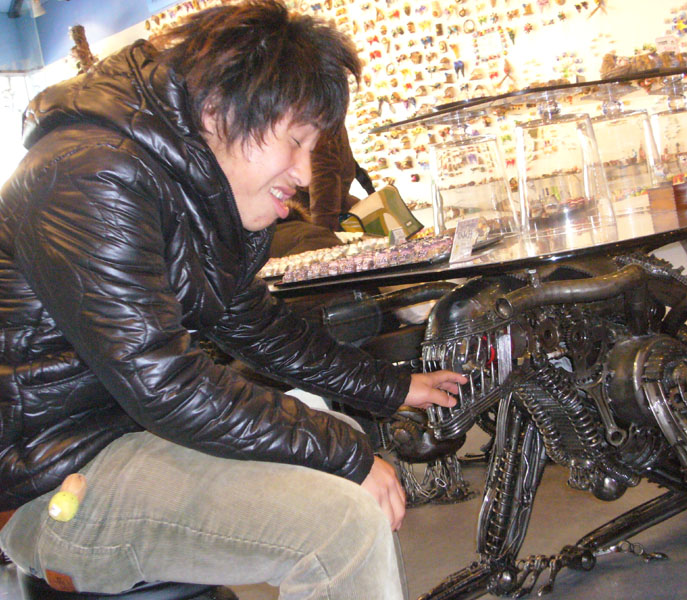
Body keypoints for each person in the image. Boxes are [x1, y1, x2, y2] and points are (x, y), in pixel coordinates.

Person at [0, 3, 466, 599]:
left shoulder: (188, 188)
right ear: (219, 110)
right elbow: (165, 385)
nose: (305, 173)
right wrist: (346, 454)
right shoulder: (88, 175)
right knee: (338, 524)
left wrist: (392, 387)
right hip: (55, 483)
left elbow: (257, 326)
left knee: (339, 438)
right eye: (295, 142)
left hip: (128, 438)